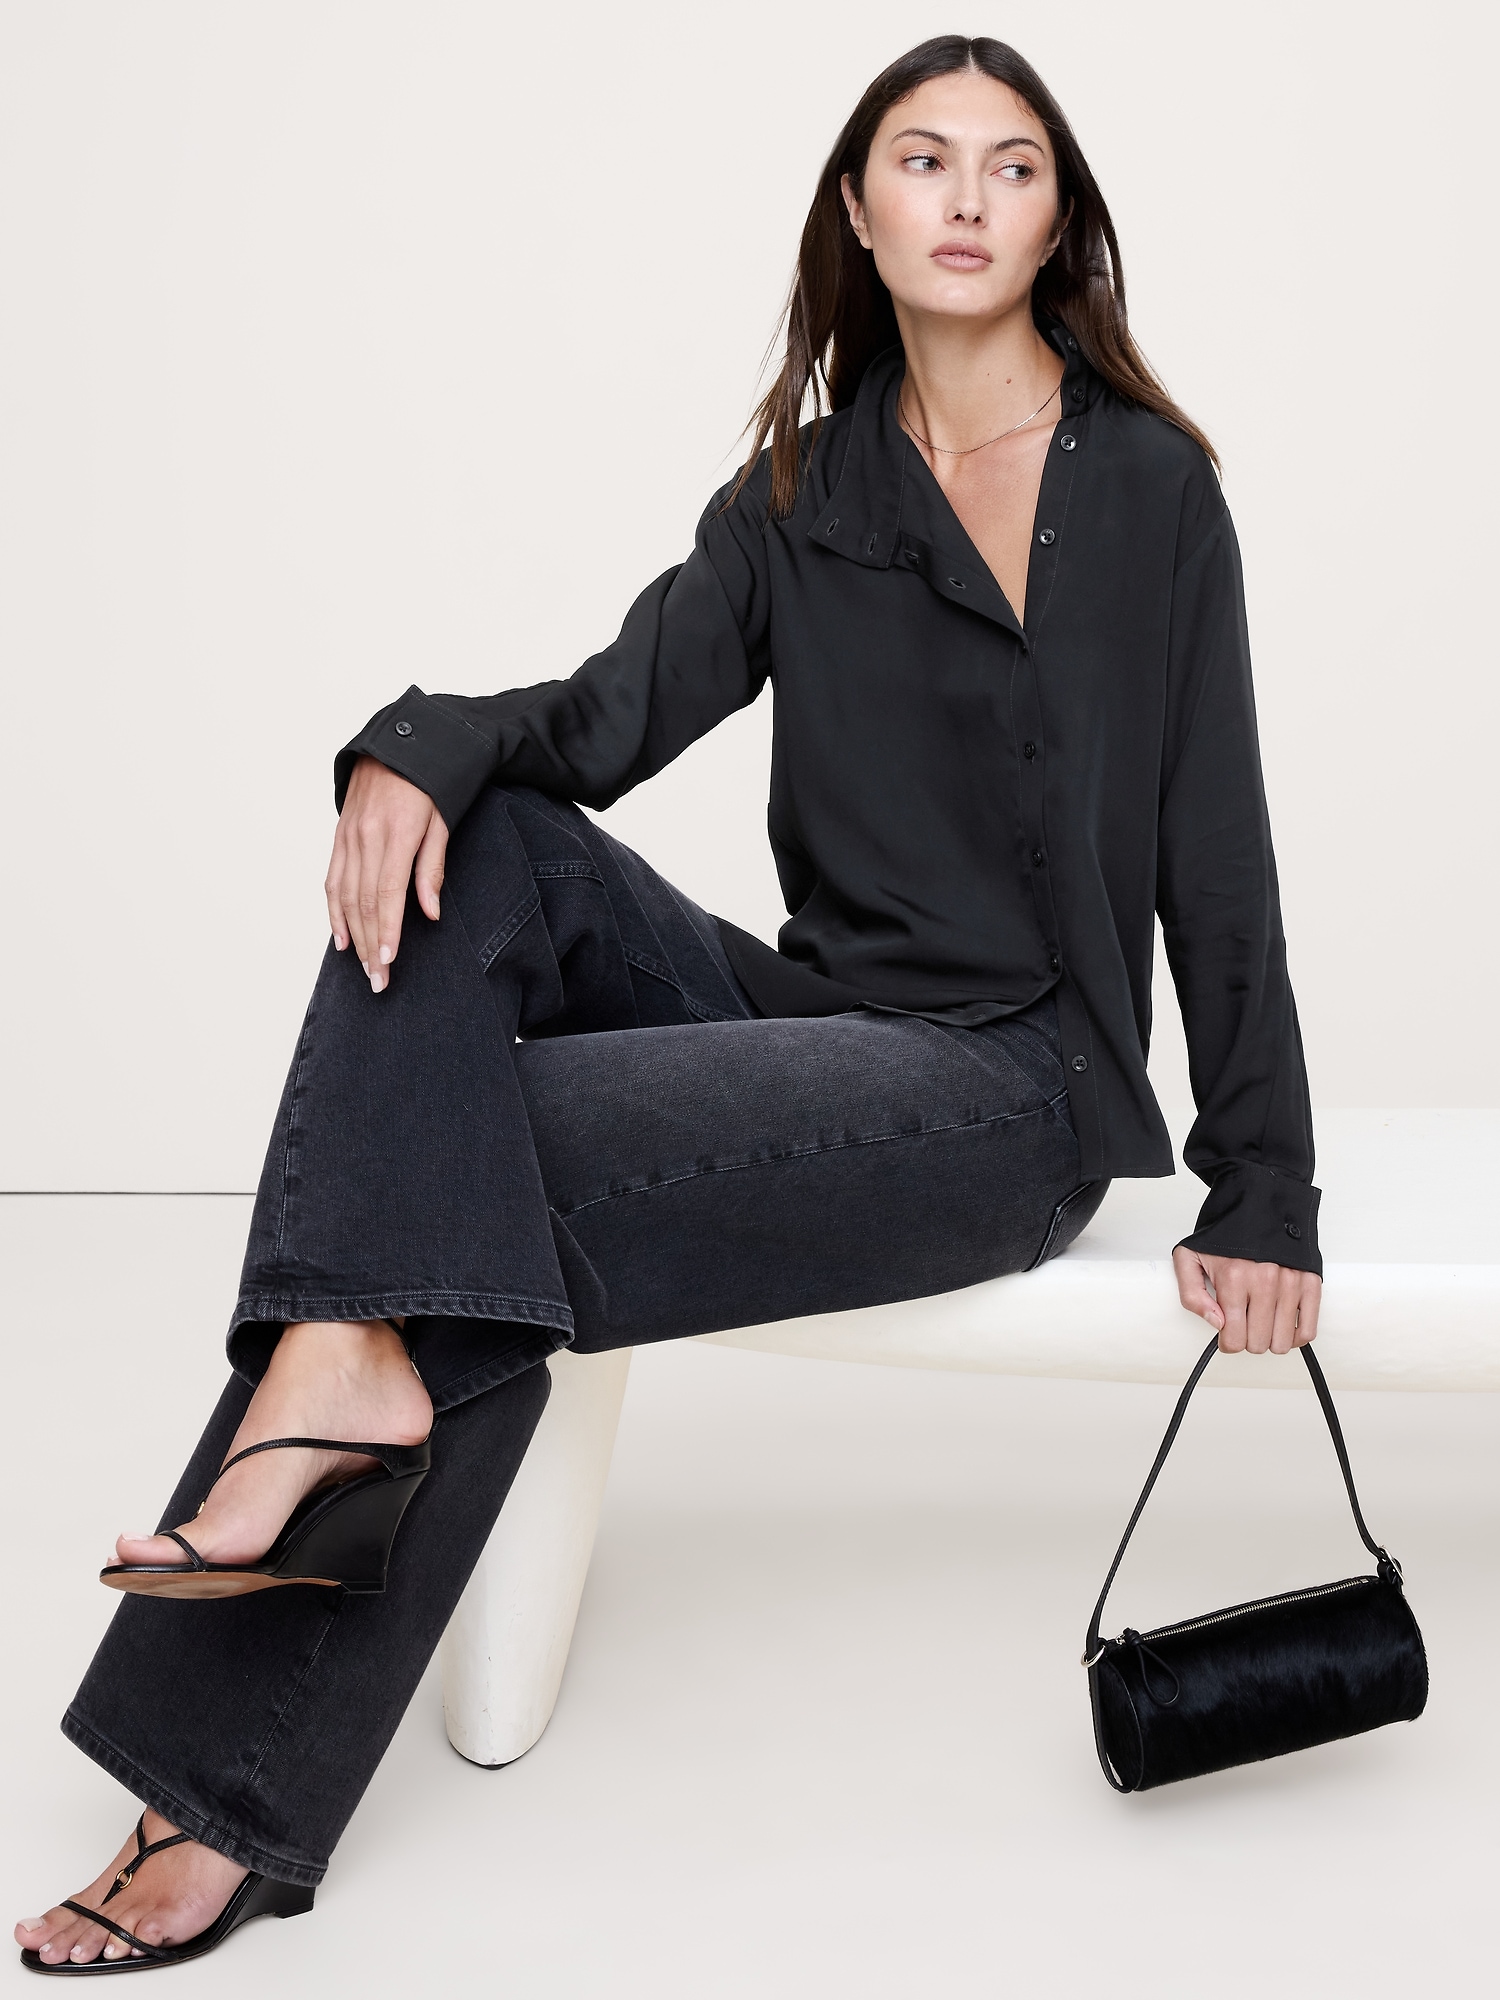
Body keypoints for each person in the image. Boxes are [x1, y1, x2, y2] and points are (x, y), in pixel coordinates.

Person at [16, 33, 1323, 1973]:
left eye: (1014, 166)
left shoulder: (1153, 492)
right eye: (924, 160)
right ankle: (336, 1369)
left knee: (450, 1164)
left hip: (1011, 1090)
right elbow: (595, 727)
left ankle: (220, 1773)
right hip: (811, 1021)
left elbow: (1218, 849)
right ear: (859, 212)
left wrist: (1264, 1185)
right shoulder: (797, 494)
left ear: (1059, 222)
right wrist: (408, 745)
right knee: (490, 832)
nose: (968, 198)